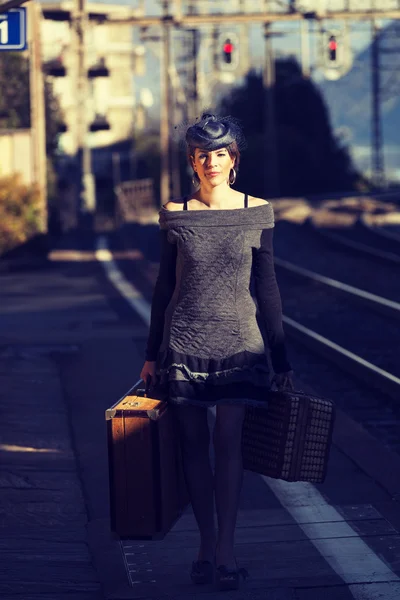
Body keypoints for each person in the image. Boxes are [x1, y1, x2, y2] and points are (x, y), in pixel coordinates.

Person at [140, 113, 293, 591]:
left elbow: (266, 287)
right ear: (192, 160)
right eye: (202, 154)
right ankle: (206, 542)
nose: (211, 162)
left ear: (234, 160)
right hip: (184, 344)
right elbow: (164, 286)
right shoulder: (176, 212)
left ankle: (225, 548)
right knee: (191, 448)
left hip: (240, 346)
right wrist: (150, 353)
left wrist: (281, 357)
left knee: (228, 444)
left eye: (220, 153)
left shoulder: (257, 211)